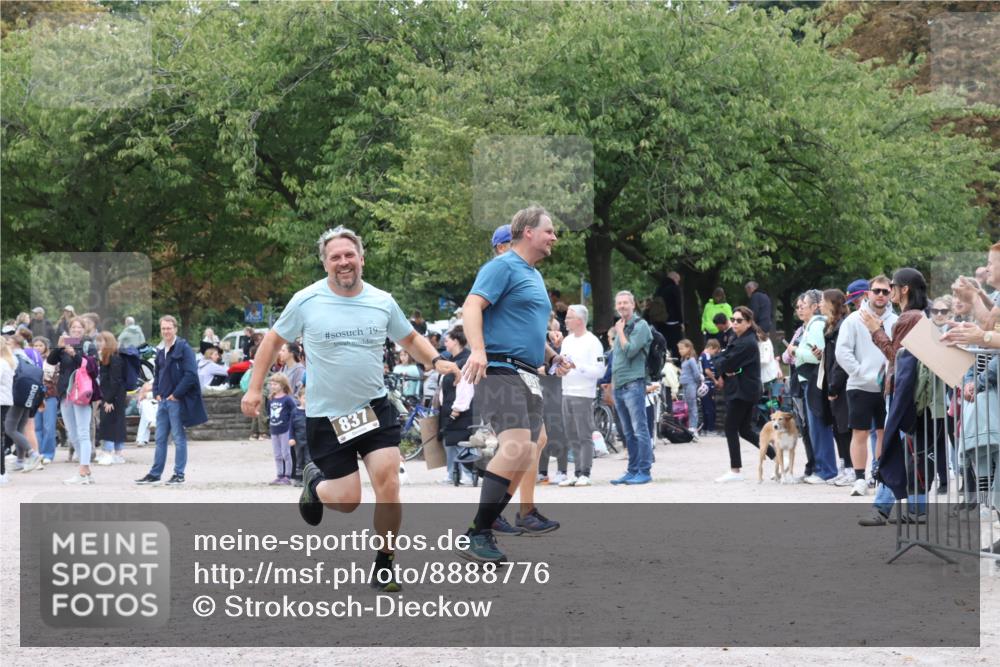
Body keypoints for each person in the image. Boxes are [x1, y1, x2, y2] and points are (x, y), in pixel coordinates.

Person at [241, 226, 458, 591]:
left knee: (388, 482)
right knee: (346, 501)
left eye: (349, 255)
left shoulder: (382, 300)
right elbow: (272, 341)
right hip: (328, 417)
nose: (343, 262)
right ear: (325, 263)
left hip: (373, 409)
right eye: (335, 257)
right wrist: (255, 388)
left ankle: (385, 562)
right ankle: (314, 481)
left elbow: (409, 338)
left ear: (361, 257)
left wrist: (436, 361)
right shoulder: (306, 300)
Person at [458, 206, 566, 563]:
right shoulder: (501, 266)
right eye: (549, 231)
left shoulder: (533, 275)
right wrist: (477, 350)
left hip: (528, 372)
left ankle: (491, 522)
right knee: (518, 447)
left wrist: (551, 356)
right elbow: (472, 306)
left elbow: (528, 325)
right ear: (528, 232)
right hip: (501, 368)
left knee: (530, 447)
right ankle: (479, 531)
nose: (554, 237)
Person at [858, 268, 934, 525]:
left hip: (904, 394)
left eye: (892, 285)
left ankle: (882, 508)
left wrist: (875, 330)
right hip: (916, 395)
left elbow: (896, 356)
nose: (888, 290)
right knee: (911, 450)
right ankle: (916, 510)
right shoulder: (920, 315)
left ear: (905, 290)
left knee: (896, 448)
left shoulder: (907, 318)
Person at [835, 275, 897, 496]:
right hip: (859, 385)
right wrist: (859, 372)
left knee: (883, 433)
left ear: (891, 293)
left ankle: (878, 474)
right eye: (876, 291)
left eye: (885, 291)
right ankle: (859, 478)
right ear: (868, 293)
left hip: (887, 386)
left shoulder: (895, 320)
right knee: (859, 433)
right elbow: (842, 351)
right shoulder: (853, 320)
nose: (881, 295)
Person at [135, 315, 207, 486]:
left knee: (178, 438)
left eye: (169, 328)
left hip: (176, 400)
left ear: (175, 328)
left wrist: (176, 394)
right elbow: (158, 373)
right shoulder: (160, 350)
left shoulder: (184, 348)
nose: (166, 331)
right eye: (163, 328)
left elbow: (190, 374)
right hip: (163, 401)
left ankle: (179, 474)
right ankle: (155, 474)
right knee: (159, 439)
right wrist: (157, 392)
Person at [713, 306, 763, 482]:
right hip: (741, 389)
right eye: (732, 319)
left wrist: (724, 364)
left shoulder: (747, 342)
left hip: (743, 391)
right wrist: (723, 362)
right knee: (745, 430)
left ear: (749, 323)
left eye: (739, 320)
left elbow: (725, 363)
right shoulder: (738, 338)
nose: (734, 323)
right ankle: (777, 456)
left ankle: (735, 470)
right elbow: (721, 360)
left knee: (731, 427)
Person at [609, 290, 654, 486]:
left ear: (633, 305)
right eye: (619, 303)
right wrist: (612, 384)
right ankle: (632, 470)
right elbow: (617, 359)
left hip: (634, 383)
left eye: (625, 303)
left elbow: (630, 351)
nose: (622, 306)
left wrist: (619, 332)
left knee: (639, 429)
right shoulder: (622, 325)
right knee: (627, 431)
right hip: (619, 384)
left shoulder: (640, 326)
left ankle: (644, 470)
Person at [794, 289, 839, 484]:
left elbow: (817, 355)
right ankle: (821, 467)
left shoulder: (817, 324)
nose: (800, 309)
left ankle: (826, 470)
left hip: (815, 379)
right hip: (809, 380)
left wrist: (797, 351)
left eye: (803, 305)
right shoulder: (810, 325)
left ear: (814, 307)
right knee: (813, 427)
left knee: (819, 425)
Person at [557, 304, 605, 487]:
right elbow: (562, 363)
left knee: (583, 433)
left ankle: (585, 471)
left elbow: (600, 371)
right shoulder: (567, 341)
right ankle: (576, 472)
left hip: (583, 393)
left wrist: (579, 367)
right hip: (566, 390)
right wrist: (560, 370)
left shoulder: (593, 342)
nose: (566, 320)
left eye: (569, 317)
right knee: (570, 434)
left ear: (579, 320)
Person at [820, 289, 854, 487]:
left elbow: (840, 360)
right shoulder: (831, 325)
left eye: (824, 301)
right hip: (833, 381)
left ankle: (851, 468)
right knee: (837, 427)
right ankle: (843, 466)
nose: (821, 305)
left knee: (844, 427)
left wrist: (833, 386)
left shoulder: (842, 326)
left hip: (841, 383)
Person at [438, 326, 474, 486]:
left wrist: (457, 409)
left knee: (461, 442)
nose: (444, 343)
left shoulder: (465, 360)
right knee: (449, 443)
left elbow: (466, 386)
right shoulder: (451, 361)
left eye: (447, 340)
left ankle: (467, 473)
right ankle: (451, 473)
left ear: (456, 341)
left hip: (460, 409)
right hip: (447, 407)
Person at [95, 331, 128, 466]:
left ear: (108, 342)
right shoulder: (108, 357)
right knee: (116, 422)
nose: (99, 344)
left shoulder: (114, 358)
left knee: (108, 422)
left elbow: (115, 381)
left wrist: (108, 400)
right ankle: (118, 453)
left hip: (113, 396)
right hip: (115, 395)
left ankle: (109, 452)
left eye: (101, 341)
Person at [266, 373, 296, 485]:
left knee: (286, 453)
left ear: (282, 385)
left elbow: (294, 413)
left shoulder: (288, 399)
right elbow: (269, 412)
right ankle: (279, 474)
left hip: (285, 430)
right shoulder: (271, 399)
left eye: (275, 384)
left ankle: (287, 475)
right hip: (274, 430)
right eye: (271, 384)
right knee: (277, 454)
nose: (273, 386)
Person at [32, 336, 59, 463]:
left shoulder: (51, 360)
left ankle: (48, 453)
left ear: (46, 347)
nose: (37, 348)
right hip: (33, 397)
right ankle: (38, 453)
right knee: (36, 426)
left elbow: (54, 378)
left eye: (40, 345)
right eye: (35, 345)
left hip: (49, 396)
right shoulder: (29, 360)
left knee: (49, 426)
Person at [653, 271, 684, 360]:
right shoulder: (674, 288)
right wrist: (681, 321)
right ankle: (676, 364)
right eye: (678, 280)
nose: (678, 283)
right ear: (674, 279)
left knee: (664, 345)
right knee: (676, 345)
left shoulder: (659, 289)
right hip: (673, 321)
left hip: (660, 321)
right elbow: (678, 306)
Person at [677, 339, 703, 434]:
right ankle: (688, 426)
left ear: (688, 348)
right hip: (684, 385)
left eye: (682, 349)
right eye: (679, 349)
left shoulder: (691, 360)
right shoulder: (683, 360)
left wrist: (697, 383)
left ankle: (693, 427)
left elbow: (696, 373)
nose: (680, 351)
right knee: (686, 406)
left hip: (691, 385)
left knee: (692, 406)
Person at [699, 339, 722, 435]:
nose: (714, 354)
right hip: (707, 384)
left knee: (705, 407)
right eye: (715, 351)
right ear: (711, 348)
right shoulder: (706, 356)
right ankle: (710, 429)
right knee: (710, 407)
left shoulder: (701, 355)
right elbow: (707, 370)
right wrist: (715, 380)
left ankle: (705, 428)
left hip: (703, 384)